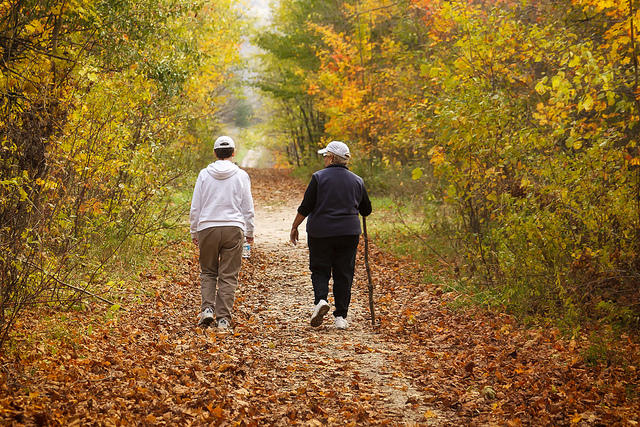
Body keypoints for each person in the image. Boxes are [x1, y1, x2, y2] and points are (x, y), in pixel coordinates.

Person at [290, 141, 372, 330]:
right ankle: (341, 317)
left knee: (320, 269)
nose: (324, 159)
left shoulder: (318, 178)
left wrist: (295, 226)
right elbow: (366, 209)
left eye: (326, 156)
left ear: (332, 158)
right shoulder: (357, 180)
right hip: (348, 233)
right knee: (344, 273)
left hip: (321, 232)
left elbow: (306, 206)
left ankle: (320, 300)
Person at [190, 135, 254, 330]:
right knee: (228, 275)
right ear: (233, 153)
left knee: (208, 271)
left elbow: (196, 206)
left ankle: (207, 310)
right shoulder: (241, 175)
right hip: (233, 228)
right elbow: (247, 207)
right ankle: (223, 319)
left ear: (215, 153)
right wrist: (249, 231)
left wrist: (194, 231)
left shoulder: (204, 174)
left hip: (207, 227)